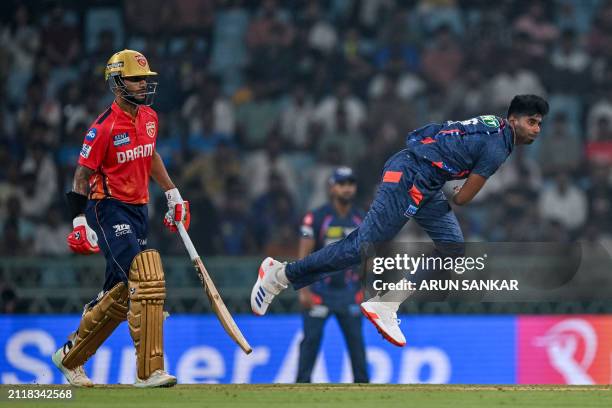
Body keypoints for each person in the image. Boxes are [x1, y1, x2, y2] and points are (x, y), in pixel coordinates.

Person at [251, 95, 549, 347]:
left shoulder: (493, 126)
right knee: (361, 248)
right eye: (531, 121)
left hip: (426, 177)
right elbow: (462, 199)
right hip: (410, 175)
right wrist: (465, 190)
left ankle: (386, 303)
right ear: (513, 120)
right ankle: (280, 274)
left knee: (452, 248)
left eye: (539, 123)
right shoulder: (498, 146)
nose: (536, 129)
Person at [52, 50, 190, 388]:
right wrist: (79, 223)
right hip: (108, 207)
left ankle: (70, 356)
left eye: (145, 79)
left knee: (118, 293)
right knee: (144, 278)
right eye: (135, 79)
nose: (143, 84)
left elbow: (151, 155)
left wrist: (172, 193)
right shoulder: (103, 128)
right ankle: (149, 369)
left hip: (140, 208)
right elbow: (81, 176)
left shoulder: (150, 118)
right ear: (117, 83)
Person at [296, 167, 368, 383]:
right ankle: (300, 388)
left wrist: (365, 291)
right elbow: (303, 257)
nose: (347, 189)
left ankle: (365, 392)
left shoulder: (361, 218)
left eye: (350, 184)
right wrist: (304, 290)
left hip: (349, 293)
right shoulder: (316, 217)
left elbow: (369, 258)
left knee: (357, 345)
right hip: (319, 291)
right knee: (311, 341)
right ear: (332, 188)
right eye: (342, 184)